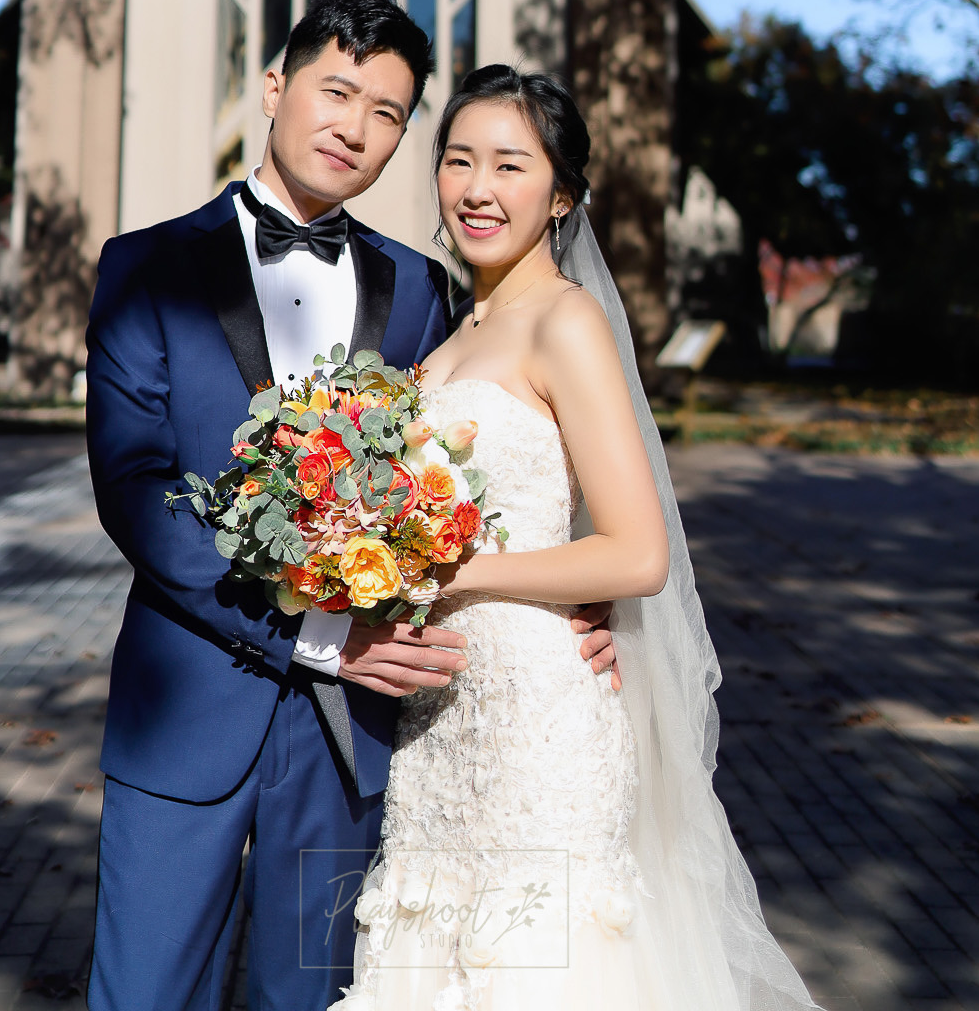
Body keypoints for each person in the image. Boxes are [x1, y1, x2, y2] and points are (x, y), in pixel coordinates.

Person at [84, 0, 618, 1011]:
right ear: (276, 87)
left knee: (314, 996)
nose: (354, 125)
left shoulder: (423, 288)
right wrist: (321, 631)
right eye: (336, 90)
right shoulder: (144, 267)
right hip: (186, 702)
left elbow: (486, 475)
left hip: (360, 736)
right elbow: (134, 490)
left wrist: (585, 611)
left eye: (388, 110)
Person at [339, 65, 820, 1011]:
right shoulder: (452, 330)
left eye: (510, 166)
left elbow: (637, 552)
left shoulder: (566, 320)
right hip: (443, 727)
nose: (477, 188)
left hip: (540, 728)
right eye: (459, 160)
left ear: (561, 193)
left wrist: (458, 571)